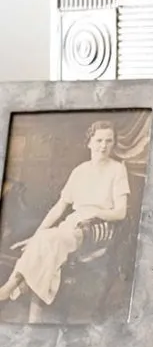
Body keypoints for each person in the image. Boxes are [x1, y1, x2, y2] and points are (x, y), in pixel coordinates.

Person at [0, 121, 130, 320]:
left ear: (113, 143)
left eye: (108, 141)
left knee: (49, 243)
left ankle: (10, 287)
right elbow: (60, 206)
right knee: (46, 244)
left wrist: (96, 211)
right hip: (71, 226)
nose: (103, 145)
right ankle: (33, 316)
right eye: (99, 140)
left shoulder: (117, 170)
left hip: (95, 229)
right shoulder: (80, 170)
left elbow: (120, 212)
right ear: (89, 143)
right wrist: (36, 235)